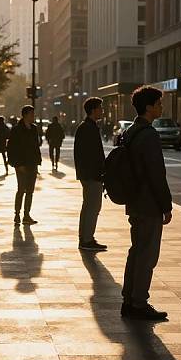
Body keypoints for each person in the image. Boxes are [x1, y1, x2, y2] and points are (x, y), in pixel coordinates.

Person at [121, 86, 173, 321]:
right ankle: (139, 303)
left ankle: (129, 298)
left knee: (136, 250)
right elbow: (156, 174)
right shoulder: (149, 135)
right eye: (159, 103)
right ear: (149, 107)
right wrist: (166, 205)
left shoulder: (131, 131)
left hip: (134, 200)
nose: (161, 107)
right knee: (147, 254)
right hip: (148, 202)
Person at [74, 97, 107, 251]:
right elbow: (90, 155)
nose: (102, 111)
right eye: (100, 108)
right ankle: (87, 239)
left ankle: (85, 237)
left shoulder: (87, 126)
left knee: (88, 207)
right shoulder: (88, 128)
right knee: (93, 207)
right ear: (93, 110)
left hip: (89, 174)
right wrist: (98, 173)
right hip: (92, 175)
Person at [7, 106, 42, 225]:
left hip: (32, 164)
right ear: (25, 115)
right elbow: (11, 148)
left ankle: (26, 215)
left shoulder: (34, 129)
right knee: (21, 189)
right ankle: (17, 214)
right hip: (21, 165)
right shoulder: (16, 129)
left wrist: (38, 161)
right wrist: (16, 164)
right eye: (32, 114)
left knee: (30, 191)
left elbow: (36, 146)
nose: (33, 116)